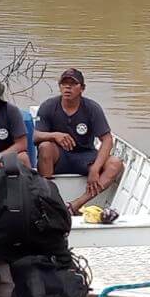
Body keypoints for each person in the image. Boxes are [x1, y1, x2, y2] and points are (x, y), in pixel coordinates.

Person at [34, 68, 123, 213]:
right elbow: (35, 136)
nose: (67, 87)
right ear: (59, 86)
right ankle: (48, 201)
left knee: (115, 163)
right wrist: (54, 135)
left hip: (85, 156)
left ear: (82, 88)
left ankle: (76, 204)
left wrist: (95, 168)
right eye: (64, 83)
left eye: (73, 84)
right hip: (58, 158)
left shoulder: (92, 108)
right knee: (45, 146)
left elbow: (107, 140)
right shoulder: (49, 106)